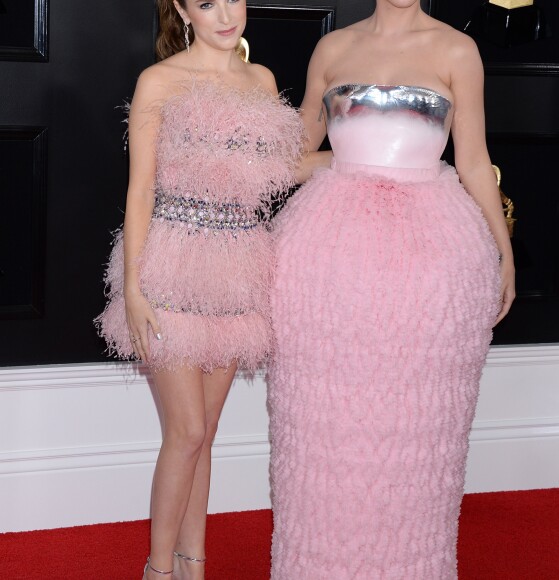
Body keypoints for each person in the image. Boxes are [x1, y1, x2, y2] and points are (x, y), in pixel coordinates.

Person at [268, 1, 515, 578]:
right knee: (321, 424)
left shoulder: (458, 50)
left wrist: (502, 252)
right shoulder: (333, 49)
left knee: (419, 426)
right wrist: (353, 163)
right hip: (328, 259)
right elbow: (293, 159)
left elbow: (475, 161)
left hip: (429, 259)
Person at [95, 1, 303, 578]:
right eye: (206, 2)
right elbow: (140, 190)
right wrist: (134, 289)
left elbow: (277, 173)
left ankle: (194, 563)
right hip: (171, 266)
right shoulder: (159, 81)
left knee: (204, 434)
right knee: (185, 430)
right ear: (183, 11)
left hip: (238, 267)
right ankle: (158, 569)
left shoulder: (261, 82)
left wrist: (358, 158)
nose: (225, 12)